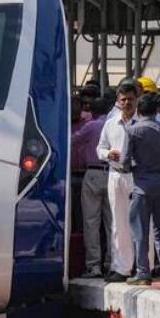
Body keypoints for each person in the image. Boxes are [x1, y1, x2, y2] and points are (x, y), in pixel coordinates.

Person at [121, 93, 160, 285]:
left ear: (138, 110)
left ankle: (143, 273)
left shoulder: (132, 131)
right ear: (156, 110)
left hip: (142, 187)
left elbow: (125, 163)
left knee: (140, 232)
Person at [97, 82, 138, 282]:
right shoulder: (110, 123)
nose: (127, 102)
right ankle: (122, 268)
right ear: (118, 102)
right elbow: (100, 148)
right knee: (118, 222)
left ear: (137, 99)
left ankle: (144, 267)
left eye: (130, 99)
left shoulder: (142, 122)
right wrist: (107, 154)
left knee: (140, 222)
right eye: (123, 99)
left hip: (137, 176)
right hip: (115, 175)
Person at [73, 97, 113, 277]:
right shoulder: (115, 124)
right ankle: (113, 263)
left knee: (91, 222)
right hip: (113, 173)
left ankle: (94, 266)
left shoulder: (91, 126)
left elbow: (71, 140)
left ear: (92, 111)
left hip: (93, 174)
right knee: (112, 223)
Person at [70, 95, 90, 232]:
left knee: (86, 209)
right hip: (69, 173)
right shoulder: (62, 123)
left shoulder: (89, 123)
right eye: (72, 105)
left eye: (77, 105)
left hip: (86, 173)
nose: (74, 109)